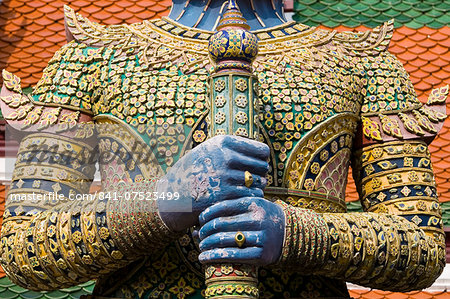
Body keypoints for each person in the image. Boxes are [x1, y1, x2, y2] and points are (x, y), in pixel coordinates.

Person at [0, 0, 447, 298]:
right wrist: (164, 200)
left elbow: (421, 247)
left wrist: (294, 234)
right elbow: (24, 248)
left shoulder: (363, 65)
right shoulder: (92, 59)